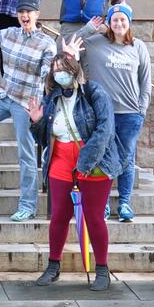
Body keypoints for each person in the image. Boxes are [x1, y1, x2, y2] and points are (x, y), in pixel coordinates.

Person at [27, 45, 121, 291]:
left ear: (75, 69)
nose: (60, 73)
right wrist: (36, 122)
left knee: (93, 217)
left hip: (94, 162)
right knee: (58, 216)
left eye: (64, 68)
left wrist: (86, 163)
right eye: (55, 69)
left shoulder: (94, 92)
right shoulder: (52, 97)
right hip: (60, 161)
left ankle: (102, 269)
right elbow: (43, 137)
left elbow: (105, 130)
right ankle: (53, 265)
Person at [0, 0, 56, 222]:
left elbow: (48, 75)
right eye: (21, 12)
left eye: (29, 12)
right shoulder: (8, 34)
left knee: (26, 154)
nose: (24, 15)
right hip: (3, 96)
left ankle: (27, 205)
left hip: (26, 104)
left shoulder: (47, 43)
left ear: (37, 14)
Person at [84, 4, 153, 223]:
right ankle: (102, 203)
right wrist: (87, 29)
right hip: (102, 114)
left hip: (130, 114)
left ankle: (124, 203)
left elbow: (146, 81)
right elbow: (66, 46)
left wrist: (141, 109)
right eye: (115, 20)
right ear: (109, 23)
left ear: (129, 22)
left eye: (123, 20)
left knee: (126, 159)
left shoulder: (138, 47)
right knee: (102, 158)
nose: (119, 24)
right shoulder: (94, 44)